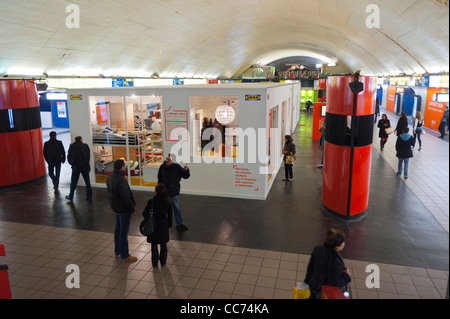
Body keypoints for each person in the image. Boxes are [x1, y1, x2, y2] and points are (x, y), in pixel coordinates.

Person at [304, 228, 351, 299]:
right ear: (337, 246)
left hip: (314, 287)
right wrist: (346, 276)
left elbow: (310, 268)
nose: (344, 243)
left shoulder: (318, 249)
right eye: (343, 242)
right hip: (323, 293)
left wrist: (307, 282)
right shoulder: (335, 261)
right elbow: (335, 283)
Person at [107, 159, 137, 262]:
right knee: (124, 232)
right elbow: (125, 196)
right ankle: (125, 255)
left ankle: (117, 251)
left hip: (115, 207)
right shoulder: (121, 179)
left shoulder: (110, 178)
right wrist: (131, 208)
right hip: (123, 209)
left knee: (117, 230)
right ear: (122, 167)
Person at [157, 154, 190, 232]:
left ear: (173, 161)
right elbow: (159, 177)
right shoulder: (162, 167)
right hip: (164, 192)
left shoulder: (177, 167)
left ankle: (179, 224)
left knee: (176, 208)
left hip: (174, 191)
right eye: (166, 159)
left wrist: (186, 170)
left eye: (169, 160)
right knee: (163, 208)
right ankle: (163, 223)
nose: (166, 161)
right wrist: (159, 189)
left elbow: (185, 176)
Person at [142, 184, 173, 267]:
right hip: (163, 225)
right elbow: (170, 215)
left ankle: (154, 263)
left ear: (155, 191)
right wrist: (169, 225)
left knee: (154, 245)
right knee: (163, 244)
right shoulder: (167, 201)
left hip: (153, 225)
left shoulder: (151, 202)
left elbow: (144, 214)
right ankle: (163, 262)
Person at [66, 136, 92, 201]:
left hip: (76, 167)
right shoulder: (85, 146)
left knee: (74, 182)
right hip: (84, 166)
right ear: (81, 139)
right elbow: (88, 156)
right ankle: (89, 196)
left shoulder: (72, 146)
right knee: (87, 182)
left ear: (75, 140)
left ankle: (71, 196)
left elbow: (69, 156)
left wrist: (72, 163)